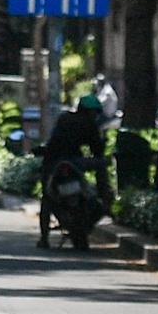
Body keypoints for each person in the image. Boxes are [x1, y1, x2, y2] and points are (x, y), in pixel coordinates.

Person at [37, 93, 109, 247]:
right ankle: (105, 196)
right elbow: (97, 151)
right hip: (73, 163)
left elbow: (52, 142)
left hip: (53, 163)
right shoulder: (90, 124)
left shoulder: (64, 118)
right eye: (94, 113)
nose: (95, 116)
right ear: (90, 112)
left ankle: (44, 238)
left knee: (46, 199)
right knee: (101, 164)